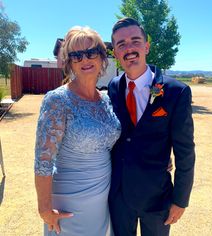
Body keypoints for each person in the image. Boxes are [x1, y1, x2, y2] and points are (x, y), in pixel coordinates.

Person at [108, 17, 195, 236]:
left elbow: (185, 152)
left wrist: (180, 200)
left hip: (157, 199)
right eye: (121, 44)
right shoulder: (112, 88)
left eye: (135, 41)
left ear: (146, 46)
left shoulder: (176, 92)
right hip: (119, 197)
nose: (129, 48)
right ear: (116, 53)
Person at [34, 26, 121, 236]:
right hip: (69, 203)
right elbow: (43, 161)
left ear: (102, 57)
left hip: (102, 200)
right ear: (69, 62)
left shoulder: (107, 100)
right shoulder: (58, 100)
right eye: (76, 55)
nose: (85, 59)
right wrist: (44, 209)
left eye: (91, 52)